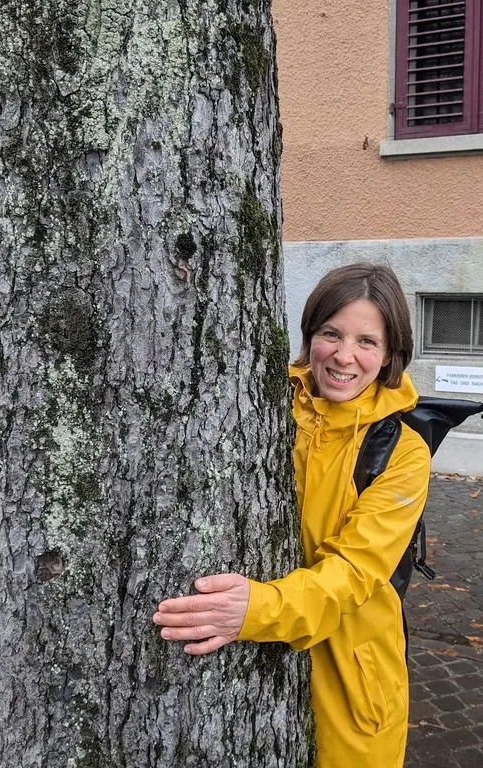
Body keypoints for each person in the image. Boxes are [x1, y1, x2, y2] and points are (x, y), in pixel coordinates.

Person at [154, 262, 431, 767]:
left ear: (391, 354)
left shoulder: (404, 454)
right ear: (310, 336)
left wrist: (254, 610)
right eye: (331, 333)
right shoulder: (261, 406)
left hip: (351, 678)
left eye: (367, 341)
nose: (344, 356)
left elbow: (354, 572)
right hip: (252, 662)